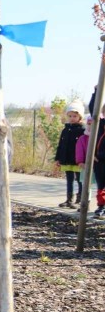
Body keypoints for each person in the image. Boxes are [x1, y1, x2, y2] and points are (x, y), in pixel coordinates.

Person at [54, 100, 85, 210]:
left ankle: (80, 200)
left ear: (80, 117)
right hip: (66, 159)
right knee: (69, 179)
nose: (72, 118)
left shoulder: (82, 130)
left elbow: (85, 145)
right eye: (70, 116)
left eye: (75, 116)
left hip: (78, 160)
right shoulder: (65, 130)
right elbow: (60, 145)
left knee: (80, 180)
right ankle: (69, 199)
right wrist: (58, 158)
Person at [88, 90, 105, 218]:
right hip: (99, 160)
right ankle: (101, 206)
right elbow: (93, 110)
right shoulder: (100, 125)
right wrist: (96, 92)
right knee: (101, 185)